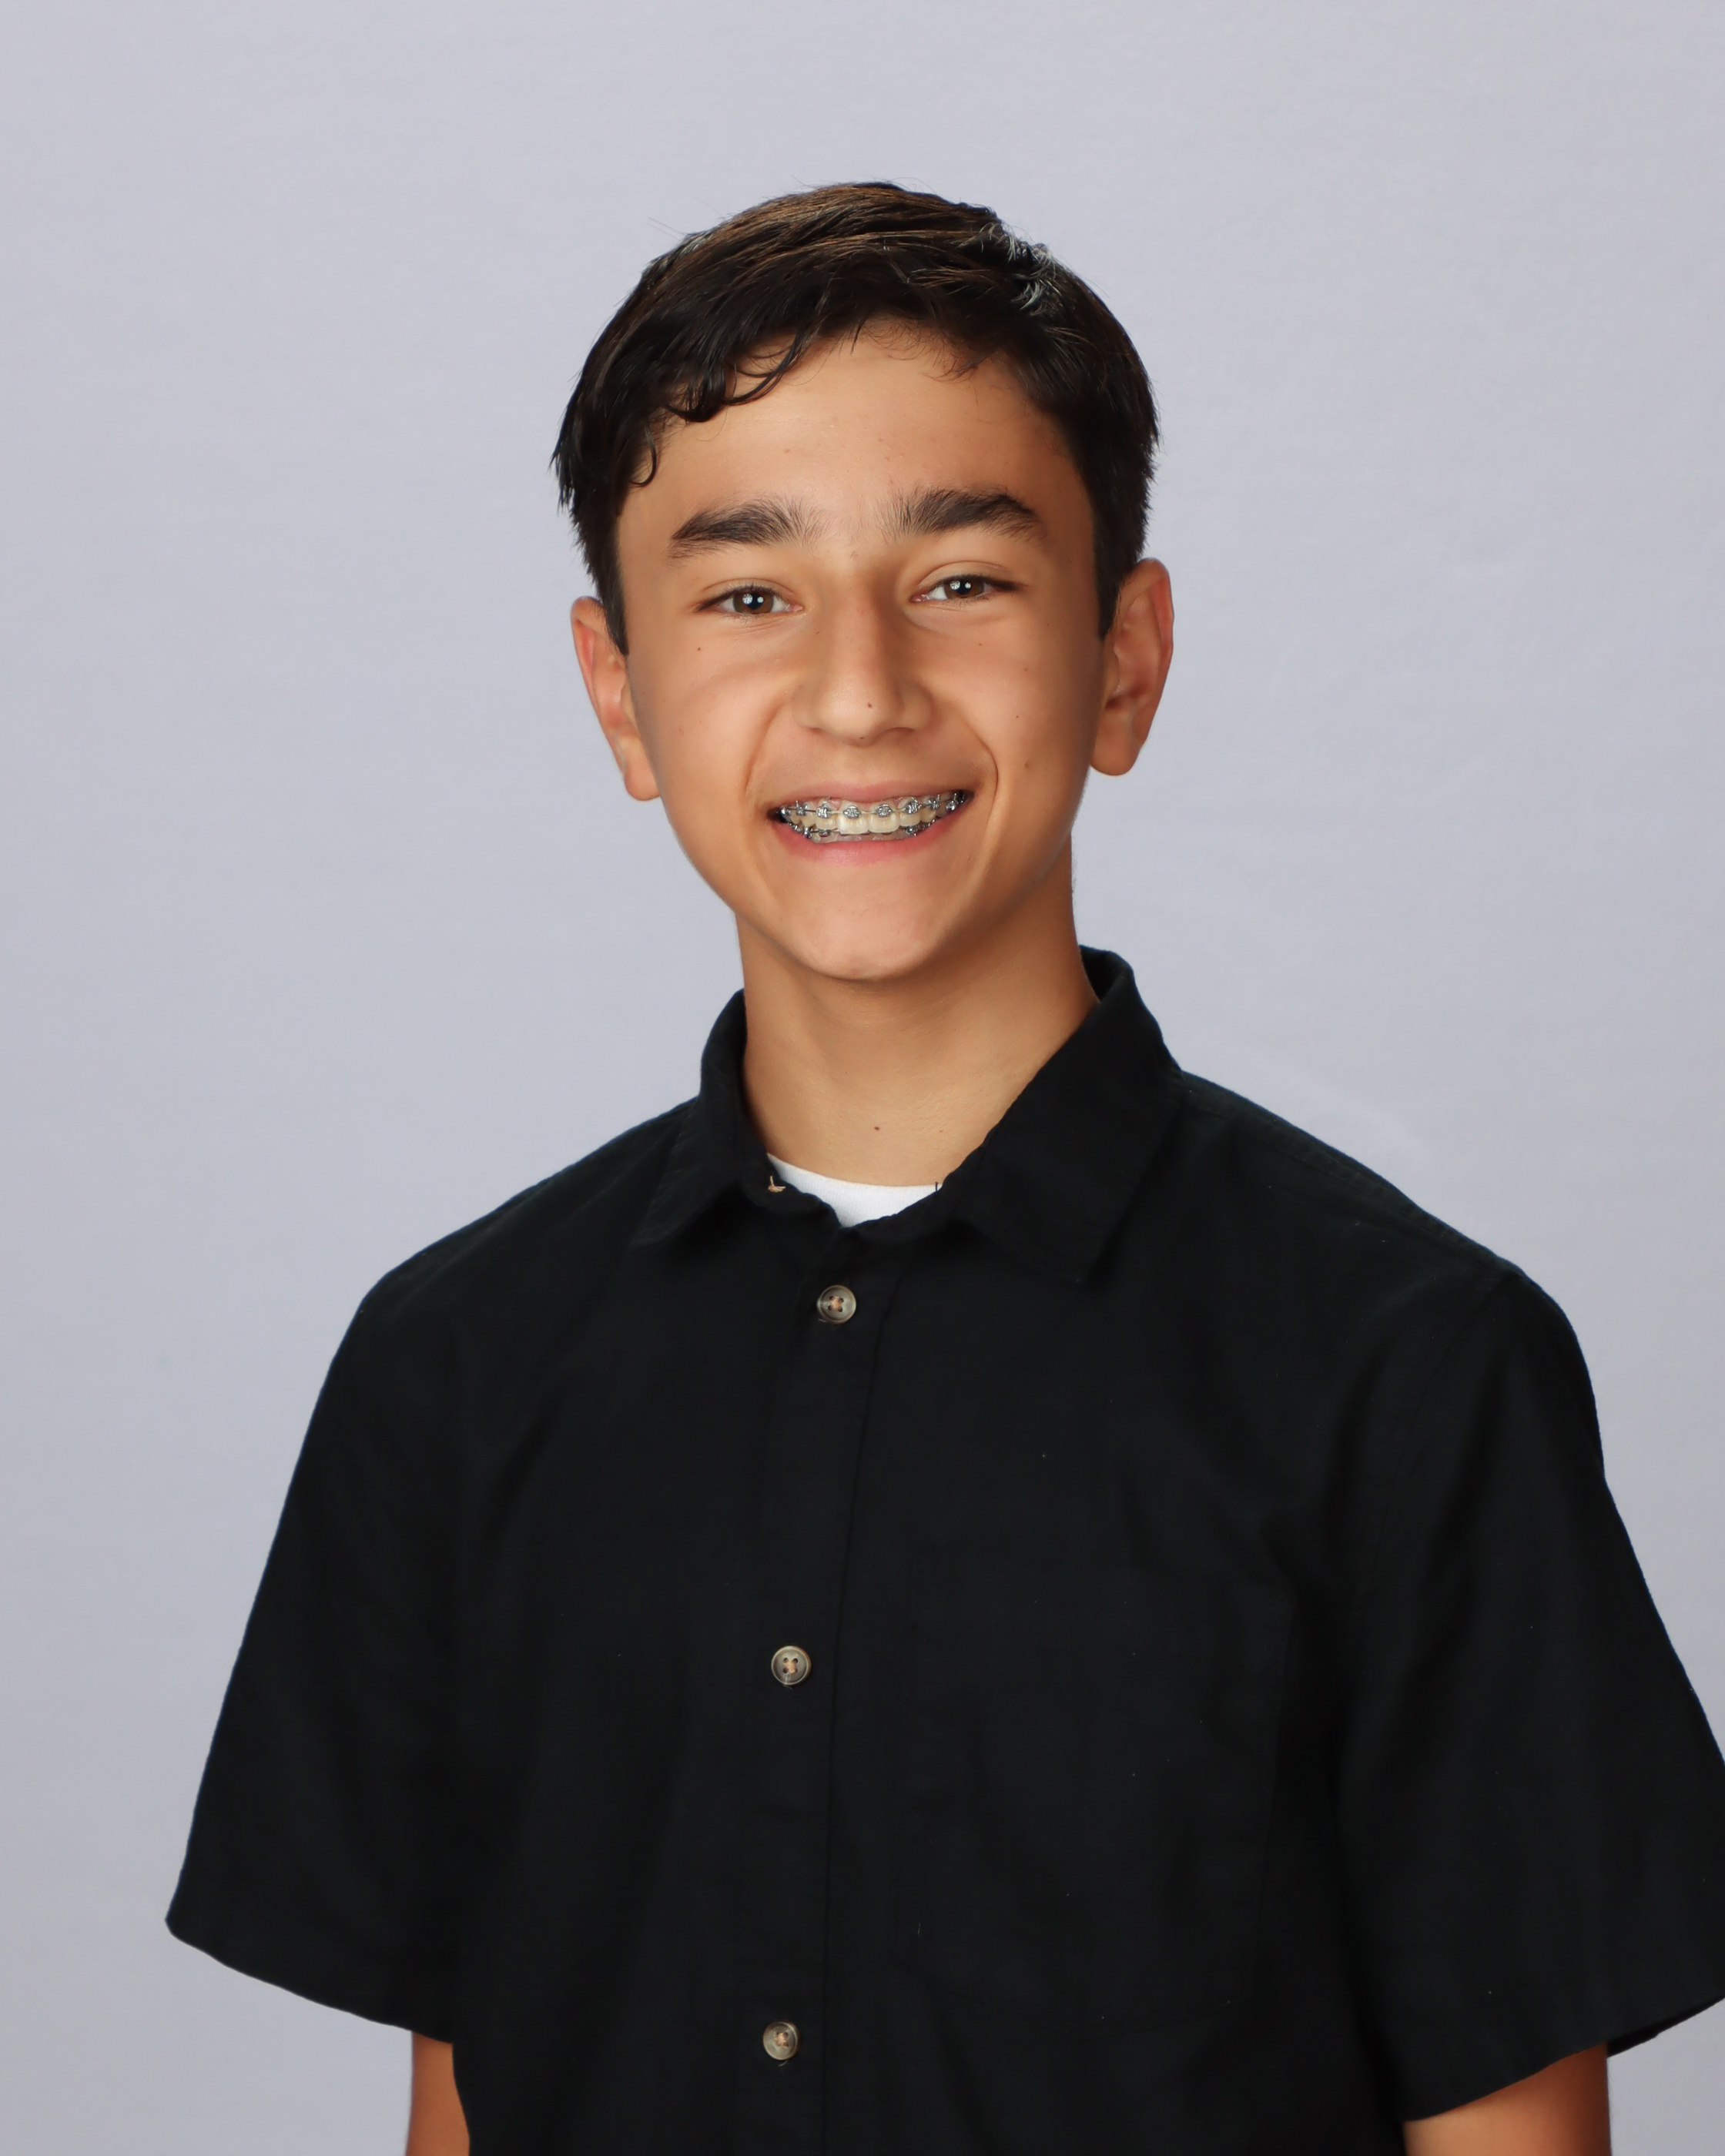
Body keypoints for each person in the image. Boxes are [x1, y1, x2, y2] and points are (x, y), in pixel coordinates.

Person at [168, 182, 1725, 2155]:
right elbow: (465, 2096)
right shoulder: (455, 1365)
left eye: (963, 578)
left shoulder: (1406, 1368)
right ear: (619, 694)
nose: (857, 689)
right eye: (747, 594)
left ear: (1123, 658)